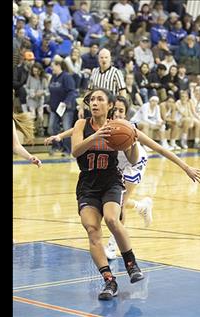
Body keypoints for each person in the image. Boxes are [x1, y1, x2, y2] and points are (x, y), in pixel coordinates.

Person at [45, 95, 200, 259]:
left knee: (119, 203)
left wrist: (186, 167)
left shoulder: (128, 129)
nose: (119, 115)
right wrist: (60, 136)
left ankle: (113, 246)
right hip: (114, 164)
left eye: (123, 111)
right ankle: (141, 206)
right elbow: (79, 129)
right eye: (117, 111)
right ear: (111, 110)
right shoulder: (104, 124)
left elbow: (160, 149)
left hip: (134, 163)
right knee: (108, 200)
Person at [71, 88, 144, 300]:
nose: (94, 103)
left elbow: (132, 159)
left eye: (100, 99)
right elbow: (75, 151)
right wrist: (95, 136)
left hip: (111, 181)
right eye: (92, 99)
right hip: (88, 184)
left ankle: (131, 264)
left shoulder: (117, 126)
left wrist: (133, 139)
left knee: (112, 219)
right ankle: (109, 280)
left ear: (109, 105)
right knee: (92, 230)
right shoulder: (81, 125)